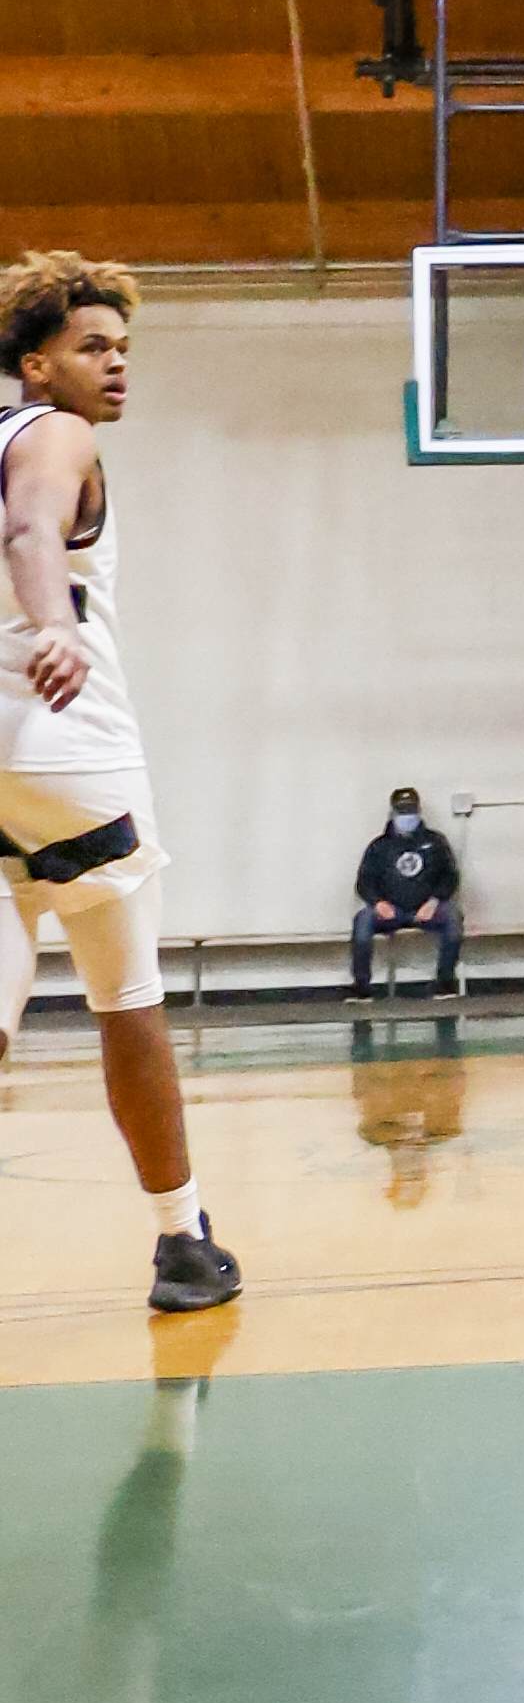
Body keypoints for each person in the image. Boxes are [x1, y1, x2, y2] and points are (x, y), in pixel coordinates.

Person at [0, 253, 239, 1308]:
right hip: (66, 751)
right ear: (34, 365)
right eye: (94, 347)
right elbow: (29, 528)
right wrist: (53, 622)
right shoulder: (59, 435)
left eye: (124, 348)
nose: (117, 366)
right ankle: (182, 1244)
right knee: (128, 1000)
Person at [349, 787, 462, 996]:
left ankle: (445, 981)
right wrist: (378, 903)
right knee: (362, 921)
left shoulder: (436, 842)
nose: (407, 817)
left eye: (410, 811)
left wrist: (434, 901)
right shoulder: (379, 846)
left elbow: (450, 876)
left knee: (453, 918)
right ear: (393, 813)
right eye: (402, 812)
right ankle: (361, 986)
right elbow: (364, 881)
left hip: (427, 909)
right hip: (390, 911)